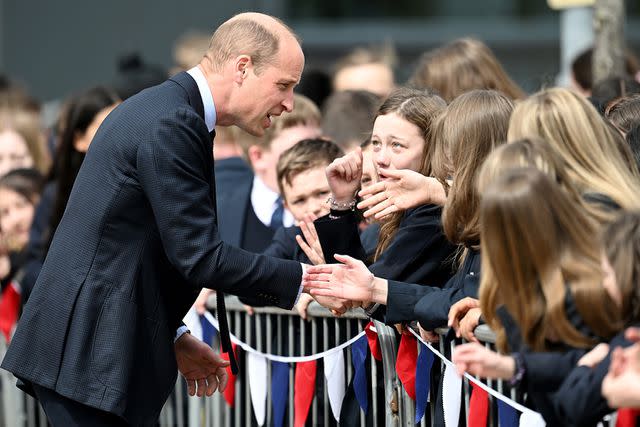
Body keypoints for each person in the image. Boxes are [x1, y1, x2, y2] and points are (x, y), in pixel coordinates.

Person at [1, 12, 347, 426]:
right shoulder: (172, 120)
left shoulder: (167, 110)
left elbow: (136, 249)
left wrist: (174, 335)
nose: (289, 103)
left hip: (93, 349)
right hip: (90, 353)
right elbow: (199, 255)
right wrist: (307, 280)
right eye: (283, 85)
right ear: (242, 67)